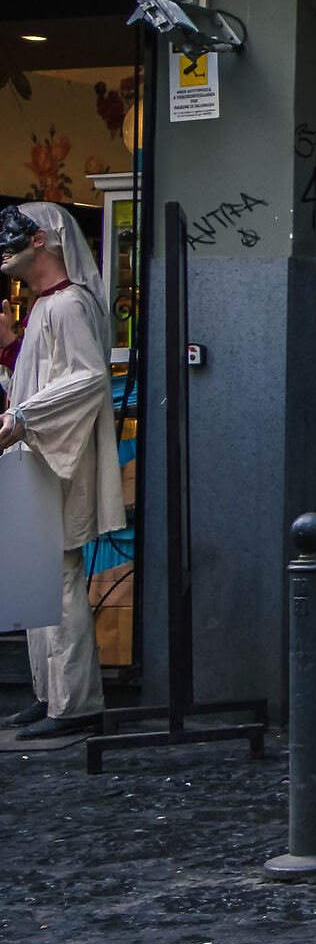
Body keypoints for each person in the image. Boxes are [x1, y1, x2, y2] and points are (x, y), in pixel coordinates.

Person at [0, 202, 124, 738]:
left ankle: (72, 701)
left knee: (58, 573)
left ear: (44, 241)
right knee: (38, 574)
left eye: (17, 237)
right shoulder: (51, 308)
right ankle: (51, 692)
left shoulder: (67, 306)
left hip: (53, 453)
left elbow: (87, 378)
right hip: (38, 451)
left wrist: (27, 415)